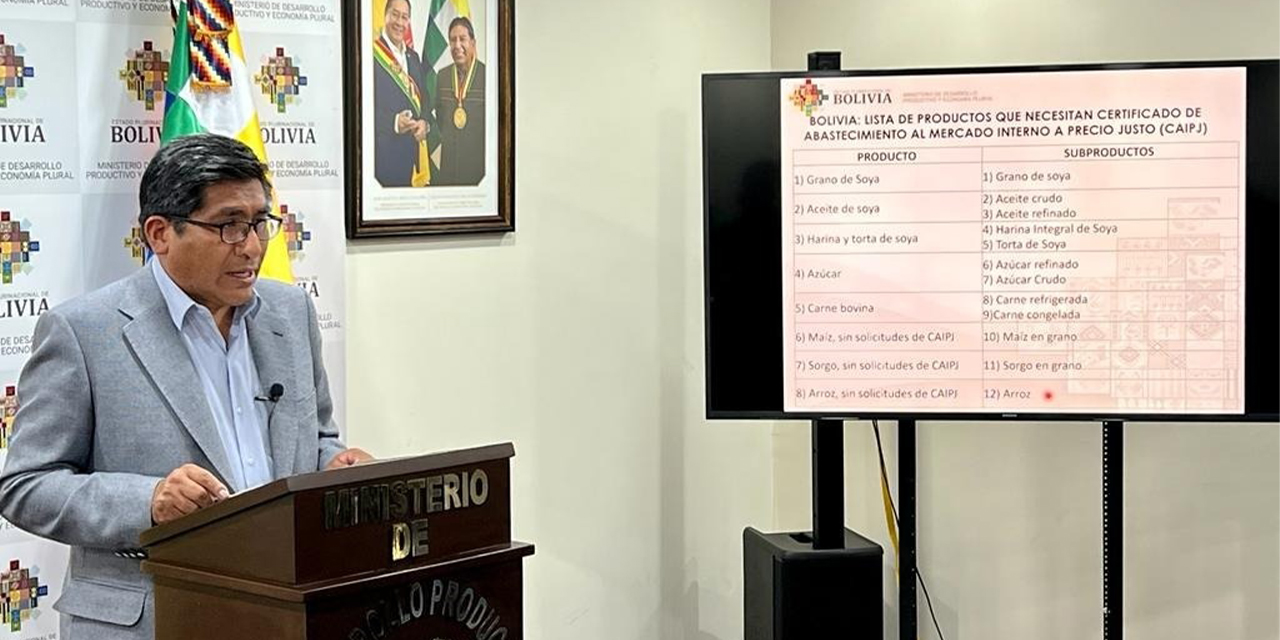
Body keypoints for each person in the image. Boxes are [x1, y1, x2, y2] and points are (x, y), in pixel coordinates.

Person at [0, 133, 372, 639]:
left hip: (284, 610)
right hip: (155, 619)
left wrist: (335, 466)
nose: (254, 246)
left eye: (260, 222)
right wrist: (148, 501)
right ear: (160, 234)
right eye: (228, 226)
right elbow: (26, 486)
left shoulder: (291, 312)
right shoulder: (83, 333)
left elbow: (317, 437)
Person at [373, 0, 430, 187]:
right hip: (380, 162)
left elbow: (425, 103)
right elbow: (360, 109)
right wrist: (394, 122)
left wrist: (424, 123)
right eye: (395, 15)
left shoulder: (414, 58)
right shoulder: (369, 55)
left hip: (409, 160)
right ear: (385, 15)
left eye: (404, 17)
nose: (399, 22)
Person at [433, 16, 486, 186]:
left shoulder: (488, 77)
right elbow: (441, 119)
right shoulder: (442, 76)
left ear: (473, 43)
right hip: (448, 169)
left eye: (462, 39)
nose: (457, 46)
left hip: (478, 173)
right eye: (452, 40)